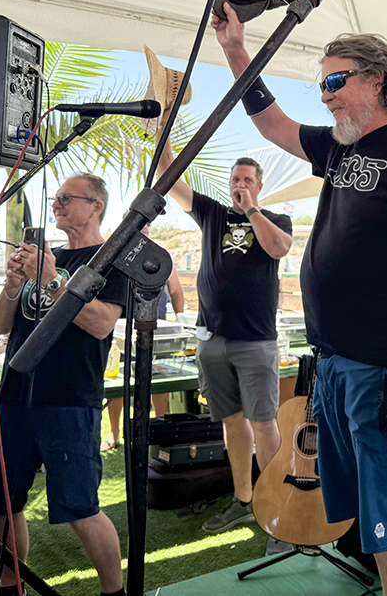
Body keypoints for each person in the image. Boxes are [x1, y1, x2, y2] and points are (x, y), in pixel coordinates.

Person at [212, 6, 387, 596]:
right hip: (334, 363)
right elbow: (272, 123)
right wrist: (234, 50)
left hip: (384, 368)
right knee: (375, 522)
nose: (325, 95)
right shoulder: (338, 149)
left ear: (376, 79)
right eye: (321, 83)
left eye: (335, 80)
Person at [0, 173, 126, 596]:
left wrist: (51, 279)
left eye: (67, 197)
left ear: (96, 206)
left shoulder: (110, 260)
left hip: (70, 400)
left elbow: (101, 325)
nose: (56, 204)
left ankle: (113, 591)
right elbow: (0, 325)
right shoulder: (46, 256)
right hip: (14, 397)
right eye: (57, 197)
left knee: (80, 508)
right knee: (2, 503)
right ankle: (11, 584)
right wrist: (13, 286)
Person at [152, 134, 292, 535]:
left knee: (263, 423)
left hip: (255, 340)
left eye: (247, 180)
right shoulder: (212, 213)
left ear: (259, 186)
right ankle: (243, 500)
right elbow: (169, 176)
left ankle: (276, 506)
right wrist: (163, 131)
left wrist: (252, 212)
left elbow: (279, 248)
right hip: (212, 339)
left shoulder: (274, 220)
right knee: (232, 423)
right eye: (235, 179)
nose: (239, 185)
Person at [101, 223, 185, 452]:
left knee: (159, 382)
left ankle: (158, 429)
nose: (144, 228)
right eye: (140, 224)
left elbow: (176, 291)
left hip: (157, 331)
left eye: (147, 224)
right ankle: (114, 432)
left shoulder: (161, 256)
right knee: (119, 381)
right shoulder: (116, 256)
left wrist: (180, 319)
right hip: (122, 331)